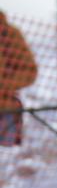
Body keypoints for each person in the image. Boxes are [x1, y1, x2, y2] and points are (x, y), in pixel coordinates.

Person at [0, 12, 38, 148]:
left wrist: (4, 85)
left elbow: (29, 71)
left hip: (4, 111)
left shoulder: (8, 34)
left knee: (7, 160)